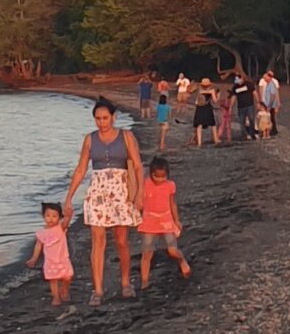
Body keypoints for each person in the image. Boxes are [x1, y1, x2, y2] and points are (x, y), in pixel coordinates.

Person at [63, 97, 143, 306]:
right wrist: (69, 197)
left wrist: (140, 193)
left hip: (121, 192)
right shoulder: (90, 139)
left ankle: (126, 283)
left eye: (105, 118)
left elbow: (137, 166)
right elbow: (81, 169)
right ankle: (97, 290)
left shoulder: (126, 136)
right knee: (97, 242)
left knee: (121, 241)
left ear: (113, 117)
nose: (101, 122)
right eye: (98, 118)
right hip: (98, 192)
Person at [137, 156, 190, 288]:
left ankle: (181, 260)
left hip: (166, 220)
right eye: (157, 176)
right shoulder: (145, 183)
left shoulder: (170, 186)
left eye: (163, 177)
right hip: (149, 220)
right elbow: (136, 174)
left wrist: (176, 220)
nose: (160, 180)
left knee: (172, 250)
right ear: (151, 174)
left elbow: (172, 204)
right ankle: (144, 281)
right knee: (147, 253)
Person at [26, 202, 74, 306]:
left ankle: (64, 289)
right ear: (43, 216)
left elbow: (65, 223)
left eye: (54, 216)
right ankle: (56, 297)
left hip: (62, 258)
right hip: (50, 260)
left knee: (68, 276)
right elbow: (38, 245)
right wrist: (34, 258)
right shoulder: (42, 233)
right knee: (53, 279)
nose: (51, 219)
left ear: (59, 217)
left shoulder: (60, 228)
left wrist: (68, 216)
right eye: (48, 216)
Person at [190, 78, 219, 147]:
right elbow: (215, 101)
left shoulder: (200, 90)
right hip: (207, 108)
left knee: (199, 125)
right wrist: (218, 96)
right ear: (209, 85)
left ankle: (199, 142)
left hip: (199, 108)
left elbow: (196, 101)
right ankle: (216, 139)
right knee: (212, 124)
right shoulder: (211, 91)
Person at [233, 73, 258, 140]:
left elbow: (254, 93)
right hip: (240, 106)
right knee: (242, 121)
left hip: (250, 105)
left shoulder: (249, 84)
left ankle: (252, 133)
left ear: (242, 79)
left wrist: (258, 102)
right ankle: (245, 135)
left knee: (251, 119)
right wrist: (231, 106)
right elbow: (234, 96)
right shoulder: (235, 87)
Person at [261, 70, 281, 136]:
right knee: (270, 118)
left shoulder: (272, 84)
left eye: (265, 78)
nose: (265, 79)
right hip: (268, 103)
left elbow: (273, 96)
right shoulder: (268, 84)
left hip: (270, 104)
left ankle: (272, 130)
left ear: (269, 77)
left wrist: (269, 105)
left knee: (271, 118)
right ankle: (270, 131)